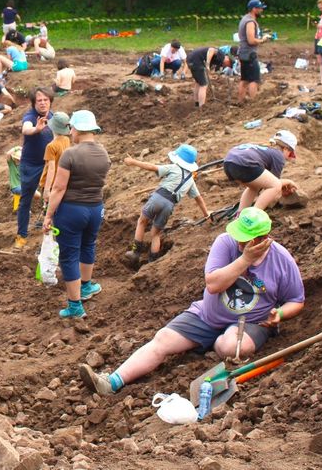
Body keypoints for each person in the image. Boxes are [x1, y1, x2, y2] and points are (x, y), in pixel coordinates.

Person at [79, 207, 304, 395]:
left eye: (244, 239)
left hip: (250, 322)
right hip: (208, 314)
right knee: (163, 338)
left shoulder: (281, 260)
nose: (238, 242)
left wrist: (280, 314)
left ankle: (213, 343)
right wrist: (245, 259)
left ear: (262, 239)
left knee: (230, 346)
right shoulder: (225, 243)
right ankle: (112, 382)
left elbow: (296, 299)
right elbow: (214, 284)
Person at [43, 111, 109, 318]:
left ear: (78, 129)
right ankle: (87, 286)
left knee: (69, 255)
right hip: (95, 208)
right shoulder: (104, 153)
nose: (70, 132)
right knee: (88, 246)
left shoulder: (70, 154)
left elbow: (59, 188)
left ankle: (74, 306)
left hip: (72, 210)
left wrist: (48, 214)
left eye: (71, 128)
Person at [124, 145, 210, 264]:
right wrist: (206, 214)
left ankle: (135, 253)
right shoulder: (190, 179)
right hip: (169, 205)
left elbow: (152, 167)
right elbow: (199, 199)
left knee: (142, 222)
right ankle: (152, 262)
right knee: (156, 234)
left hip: (158, 198)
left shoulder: (173, 167)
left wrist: (134, 162)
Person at [14, 88, 54, 249]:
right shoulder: (30, 117)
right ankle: (21, 235)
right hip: (31, 165)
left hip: (50, 164)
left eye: (46, 99)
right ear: (33, 103)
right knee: (26, 199)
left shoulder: (53, 117)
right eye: (39, 100)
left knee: (52, 196)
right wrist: (37, 129)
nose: (43, 103)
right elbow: (26, 128)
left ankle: (48, 226)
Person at [223, 131, 298, 211]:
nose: (288, 158)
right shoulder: (278, 155)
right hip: (245, 163)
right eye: (290, 154)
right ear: (286, 148)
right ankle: (254, 216)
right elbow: (275, 182)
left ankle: (240, 214)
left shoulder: (263, 148)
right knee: (275, 185)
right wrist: (289, 182)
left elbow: (265, 182)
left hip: (228, 162)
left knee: (254, 187)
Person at [237, 0, 271, 101]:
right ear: (254, 9)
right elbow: (251, 40)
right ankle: (254, 103)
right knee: (254, 80)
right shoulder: (250, 22)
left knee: (245, 79)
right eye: (260, 8)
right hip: (249, 54)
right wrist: (263, 40)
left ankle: (240, 101)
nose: (261, 10)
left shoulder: (244, 19)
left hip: (243, 53)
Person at [39, 112, 72, 213]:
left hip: (52, 184)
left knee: (50, 211)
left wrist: (46, 190)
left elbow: (51, 169)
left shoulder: (51, 146)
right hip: (63, 181)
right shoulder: (66, 140)